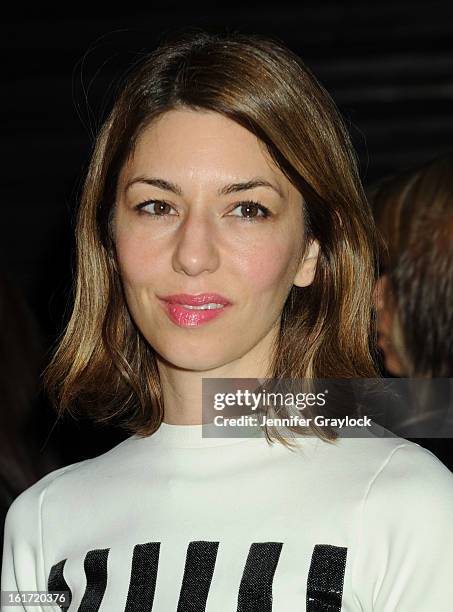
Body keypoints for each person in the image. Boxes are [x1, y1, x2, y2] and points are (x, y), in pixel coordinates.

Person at [2, 30, 453, 611]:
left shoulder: (409, 504)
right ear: (110, 240)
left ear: (311, 250)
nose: (193, 254)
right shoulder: (41, 522)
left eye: (247, 210)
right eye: (156, 206)